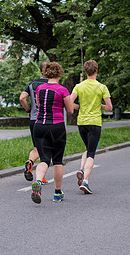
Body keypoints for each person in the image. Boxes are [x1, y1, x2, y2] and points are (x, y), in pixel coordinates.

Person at [30, 62, 73, 203]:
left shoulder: (39, 89)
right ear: (59, 74)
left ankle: (38, 182)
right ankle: (57, 193)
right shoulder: (62, 90)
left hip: (39, 126)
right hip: (56, 127)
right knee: (58, 162)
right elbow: (70, 110)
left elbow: (38, 104)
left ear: (46, 73)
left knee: (44, 160)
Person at [70, 60, 112, 194]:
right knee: (92, 154)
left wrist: (79, 106)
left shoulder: (78, 86)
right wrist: (100, 106)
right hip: (95, 123)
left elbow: (70, 103)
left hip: (81, 123)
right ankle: (85, 181)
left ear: (85, 72)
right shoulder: (102, 87)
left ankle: (82, 169)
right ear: (96, 71)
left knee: (88, 149)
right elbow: (110, 107)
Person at [19, 61, 49, 184]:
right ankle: (40, 175)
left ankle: (30, 162)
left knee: (37, 146)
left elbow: (22, 98)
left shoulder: (31, 84)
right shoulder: (51, 84)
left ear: (41, 71)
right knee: (46, 148)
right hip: (47, 119)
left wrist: (28, 109)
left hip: (33, 119)